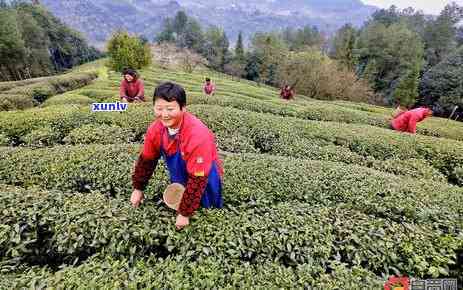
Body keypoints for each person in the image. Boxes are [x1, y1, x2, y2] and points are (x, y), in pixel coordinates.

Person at [130, 82, 223, 230]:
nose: (164, 114)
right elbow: (147, 160)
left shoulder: (197, 135)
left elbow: (198, 178)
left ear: (183, 108)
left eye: (170, 109)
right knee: (179, 198)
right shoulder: (155, 129)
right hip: (179, 172)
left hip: (203, 174)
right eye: (159, 108)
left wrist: (185, 214)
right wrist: (138, 188)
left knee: (206, 210)